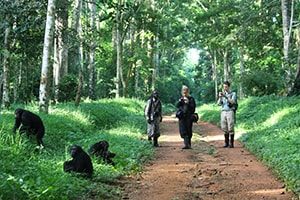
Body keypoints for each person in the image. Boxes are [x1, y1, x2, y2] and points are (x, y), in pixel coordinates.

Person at [217, 81, 237, 148]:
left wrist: (225, 96)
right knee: (224, 127)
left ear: (229, 87)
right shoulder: (222, 94)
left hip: (230, 111)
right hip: (223, 111)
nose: (224, 88)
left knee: (230, 127)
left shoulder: (233, 93)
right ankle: (226, 143)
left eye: (226, 87)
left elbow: (233, 101)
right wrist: (220, 97)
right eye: (224, 87)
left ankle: (231, 143)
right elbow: (218, 104)